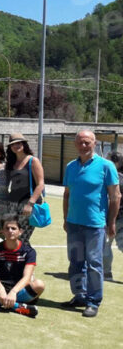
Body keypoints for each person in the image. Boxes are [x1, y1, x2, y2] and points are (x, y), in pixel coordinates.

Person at [61, 130, 120, 317]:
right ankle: (80, 295)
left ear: (95, 144)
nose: (83, 145)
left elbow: (115, 196)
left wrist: (111, 222)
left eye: (87, 142)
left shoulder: (106, 166)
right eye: (80, 142)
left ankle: (94, 301)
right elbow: (67, 194)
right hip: (73, 224)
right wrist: (65, 218)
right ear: (75, 144)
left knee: (94, 263)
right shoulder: (71, 166)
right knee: (76, 262)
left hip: (95, 225)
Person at [0, 214, 45, 318]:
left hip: (19, 290)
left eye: (13, 228)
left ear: (20, 231)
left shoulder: (29, 251)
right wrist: (1, 290)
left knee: (39, 285)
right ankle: (17, 306)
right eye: (7, 228)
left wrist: (14, 292)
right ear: (2, 231)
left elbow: (27, 277)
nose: (10, 231)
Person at [4, 133, 45, 242]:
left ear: (24, 144)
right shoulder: (11, 163)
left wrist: (30, 204)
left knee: (22, 237)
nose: (16, 146)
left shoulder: (33, 161)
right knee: (11, 236)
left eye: (19, 143)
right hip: (12, 204)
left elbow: (41, 184)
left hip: (27, 204)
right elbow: (6, 185)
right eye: (13, 144)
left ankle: (28, 258)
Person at [102, 152, 123, 280]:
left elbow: (112, 199)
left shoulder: (111, 177)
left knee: (106, 244)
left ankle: (107, 273)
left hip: (113, 216)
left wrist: (111, 221)